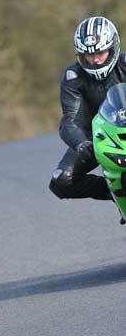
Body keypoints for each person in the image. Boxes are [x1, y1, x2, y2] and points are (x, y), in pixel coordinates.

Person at [49, 16, 126, 202]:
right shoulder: (72, 77)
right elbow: (70, 120)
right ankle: (115, 190)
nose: (95, 60)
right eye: (88, 55)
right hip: (96, 138)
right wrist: (81, 144)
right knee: (61, 181)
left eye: (100, 52)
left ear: (113, 47)